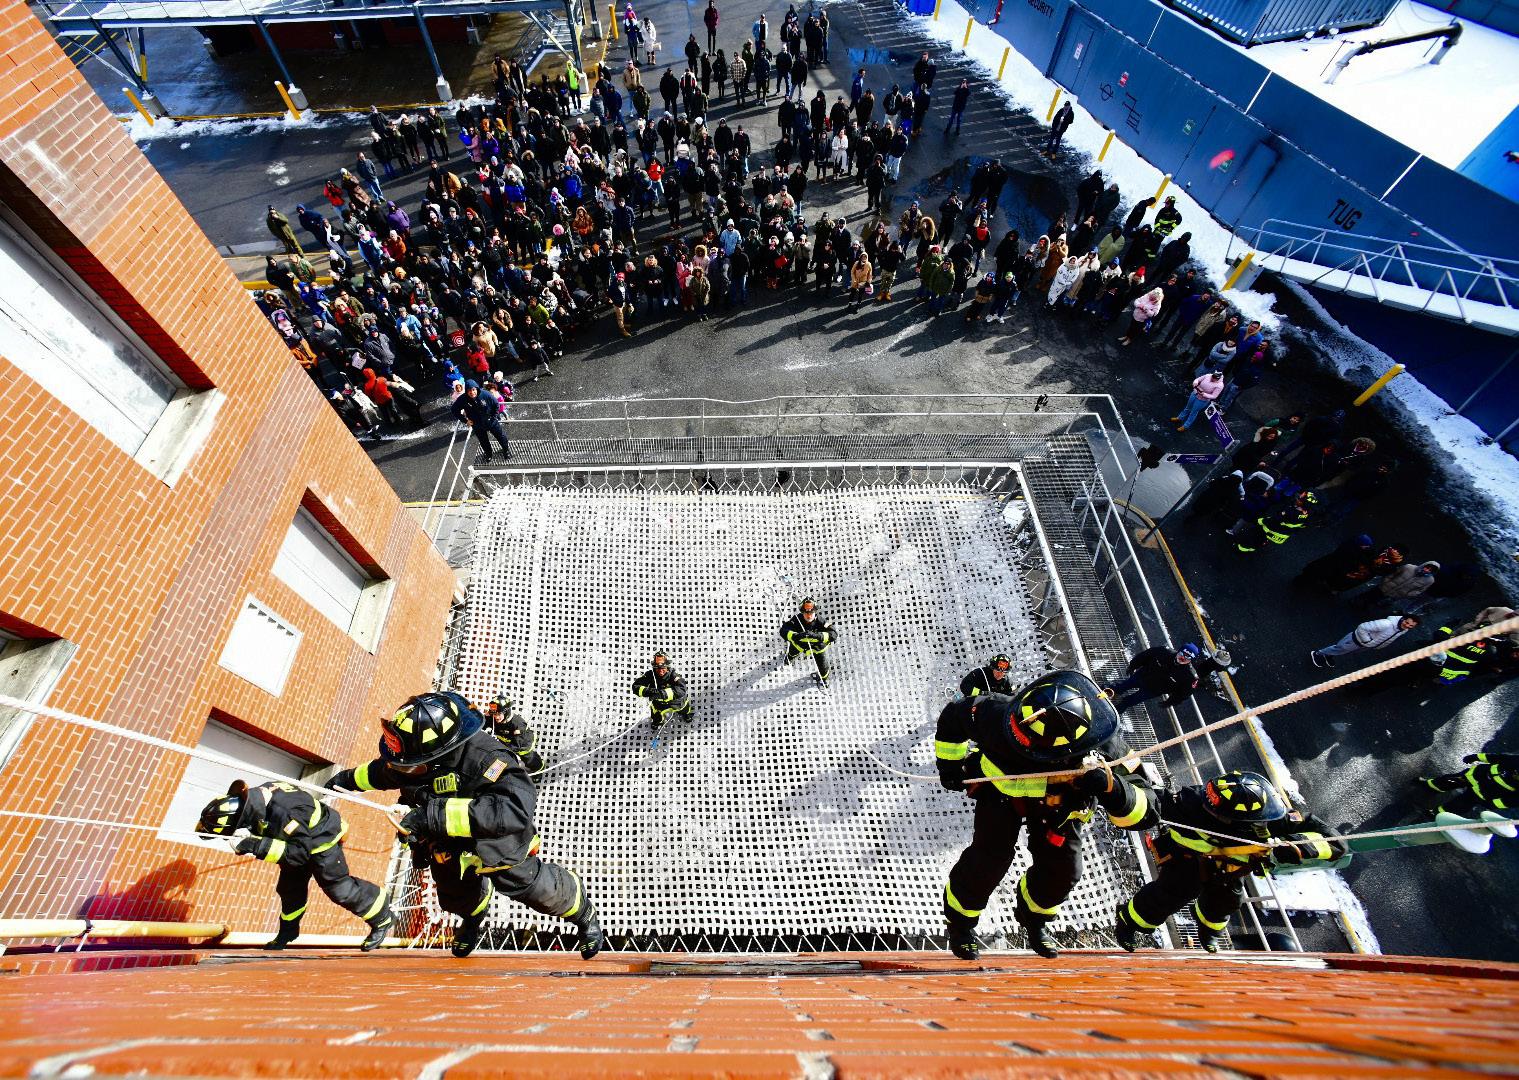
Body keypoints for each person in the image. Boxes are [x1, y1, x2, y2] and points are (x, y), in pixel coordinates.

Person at [332, 693, 604, 959]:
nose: (403, 769)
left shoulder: (490, 760)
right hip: (446, 844)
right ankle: (472, 919)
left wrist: (430, 817)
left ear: (441, 751)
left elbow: (512, 810)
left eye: (410, 764)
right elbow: (385, 771)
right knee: (455, 894)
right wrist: (344, 780)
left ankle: (584, 915)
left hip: (496, 844)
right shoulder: (417, 759)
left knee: (539, 890)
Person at [935, 670, 1152, 959]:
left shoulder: (1104, 746)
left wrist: (1112, 788)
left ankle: (1034, 921)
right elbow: (954, 717)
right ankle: (960, 925)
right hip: (1001, 794)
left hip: (1060, 806)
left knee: (1063, 870)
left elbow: (1149, 806)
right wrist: (949, 766)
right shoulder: (995, 712)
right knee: (988, 860)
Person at [1114, 772, 1344, 953]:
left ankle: (1208, 931)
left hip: (1229, 871)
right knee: (1163, 898)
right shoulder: (1188, 806)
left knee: (1225, 903)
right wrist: (1112, 788)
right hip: (1186, 864)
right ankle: (1129, 923)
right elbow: (1147, 800)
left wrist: (1299, 846)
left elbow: (1334, 841)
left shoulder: (1269, 815)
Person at [198, 779, 394, 952]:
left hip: (322, 840)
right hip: (298, 839)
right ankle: (288, 932)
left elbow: (299, 854)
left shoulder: (285, 814)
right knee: (289, 888)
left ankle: (382, 917)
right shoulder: (258, 797)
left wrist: (254, 845)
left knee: (338, 889)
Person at [1108, 643, 1201, 713]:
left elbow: (1183, 694)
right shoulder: (1163, 651)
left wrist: (1170, 702)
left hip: (1153, 690)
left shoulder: (1190, 676)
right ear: (1179, 651)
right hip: (1142, 676)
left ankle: (1115, 711)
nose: (1183, 658)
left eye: (1187, 657)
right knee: (1122, 686)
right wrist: (1132, 666)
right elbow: (1144, 655)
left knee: (1131, 701)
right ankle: (1110, 692)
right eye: (1182, 654)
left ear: (1191, 660)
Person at [1419, 752, 1519, 815]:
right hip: (1475, 775)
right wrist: (1475, 757)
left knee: (1459, 805)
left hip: (1483, 794)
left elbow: (1513, 800)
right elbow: (1498, 757)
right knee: (1448, 780)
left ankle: (1437, 815)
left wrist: (1492, 804)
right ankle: (1430, 786)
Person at [1309, 614, 1420, 668]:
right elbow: (1362, 627)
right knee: (1340, 648)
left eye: (1411, 626)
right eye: (1407, 622)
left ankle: (1328, 655)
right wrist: (1367, 641)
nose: (1407, 626)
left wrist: (1375, 646)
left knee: (1343, 651)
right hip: (1357, 640)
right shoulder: (1386, 624)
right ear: (1403, 618)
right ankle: (1318, 654)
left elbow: (1390, 638)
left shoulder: (1403, 630)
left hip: (1366, 645)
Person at [483, 693, 545, 776]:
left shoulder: (517, 725)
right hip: (505, 743)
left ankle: (540, 770)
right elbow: (483, 723)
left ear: (506, 712)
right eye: (494, 714)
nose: (496, 717)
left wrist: (501, 750)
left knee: (530, 760)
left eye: (499, 714)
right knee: (500, 757)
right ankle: (491, 776)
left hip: (522, 745)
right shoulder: (493, 718)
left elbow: (517, 745)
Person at [781, 597, 837, 687]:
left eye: (811, 613)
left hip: (817, 648)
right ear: (802, 612)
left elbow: (833, 634)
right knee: (792, 652)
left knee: (823, 666)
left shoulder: (821, 621)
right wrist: (795, 636)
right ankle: (788, 659)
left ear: (815, 612)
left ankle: (824, 680)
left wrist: (818, 636)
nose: (809, 616)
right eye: (806, 613)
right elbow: (783, 630)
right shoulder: (796, 619)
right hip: (799, 645)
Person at [632, 650, 694, 728]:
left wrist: (662, 694)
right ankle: (658, 722)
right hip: (659, 704)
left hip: (676, 702)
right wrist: (649, 691)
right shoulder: (650, 675)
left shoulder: (674, 675)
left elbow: (682, 689)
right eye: (658, 668)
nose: (660, 671)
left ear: (667, 666)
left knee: (684, 708)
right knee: (656, 715)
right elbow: (635, 686)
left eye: (663, 668)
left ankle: (687, 715)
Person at [454, 380, 511, 462]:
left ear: (476, 388)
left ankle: (506, 451)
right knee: (483, 441)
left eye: (473, 389)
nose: (472, 392)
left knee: (501, 436)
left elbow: (496, 404)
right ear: (466, 391)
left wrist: (494, 417)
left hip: (491, 421)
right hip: (477, 425)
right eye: (469, 390)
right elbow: (454, 410)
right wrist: (465, 420)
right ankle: (489, 454)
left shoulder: (485, 394)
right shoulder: (463, 399)